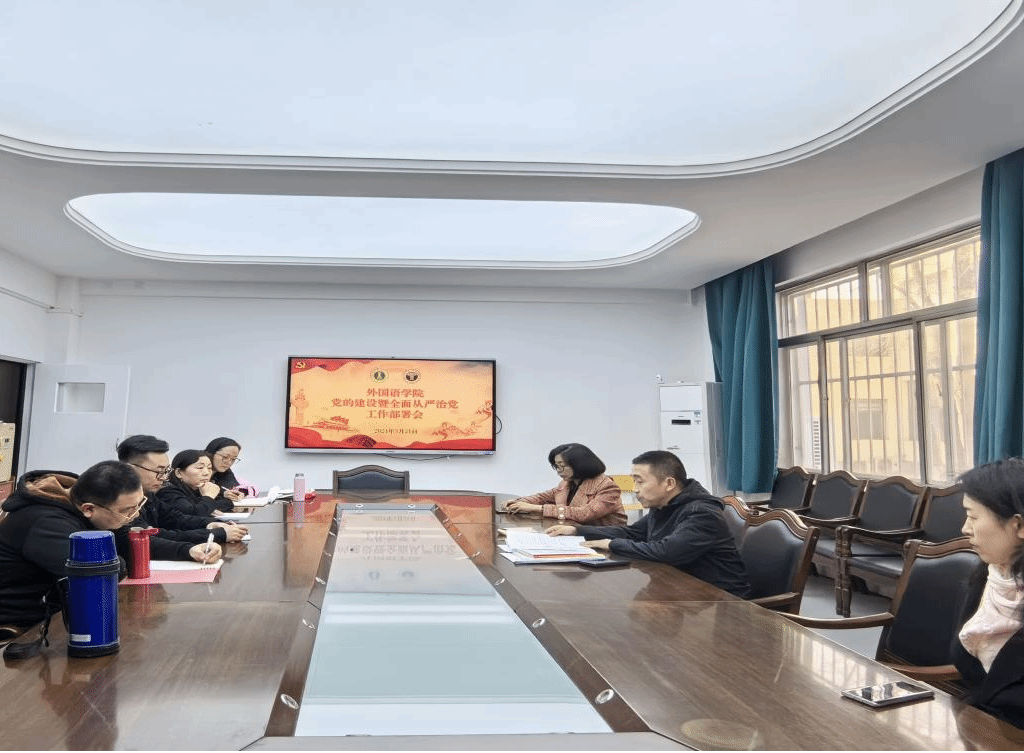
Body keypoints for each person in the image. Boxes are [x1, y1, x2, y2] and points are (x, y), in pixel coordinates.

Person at [0, 460, 217, 632]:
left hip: (66, 610)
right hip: (26, 623)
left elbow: (127, 540)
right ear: (88, 509)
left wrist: (188, 550)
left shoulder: (88, 501)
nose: (135, 516)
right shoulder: (45, 522)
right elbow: (104, 571)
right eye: (127, 511)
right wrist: (118, 556)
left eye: (138, 505)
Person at [546, 450, 750, 597]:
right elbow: (634, 533)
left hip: (722, 601)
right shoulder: (665, 504)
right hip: (682, 590)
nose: (635, 489)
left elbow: (667, 551)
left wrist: (611, 544)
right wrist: (577, 530)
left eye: (640, 481)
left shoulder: (701, 512)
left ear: (669, 483)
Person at [952, 457, 1024, 729]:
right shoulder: (988, 576)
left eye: (973, 517)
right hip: (982, 730)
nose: (965, 528)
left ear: (1019, 526)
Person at [117, 435, 246, 547]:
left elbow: (176, 518)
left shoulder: (149, 495)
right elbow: (153, 537)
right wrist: (215, 533)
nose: (164, 477)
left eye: (166, 471)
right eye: (159, 471)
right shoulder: (121, 500)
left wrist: (211, 524)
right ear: (131, 468)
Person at [504, 443, 626, 526]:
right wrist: (518, 502)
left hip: (603, 540)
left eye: (562, 466)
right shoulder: (568, 482)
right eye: (556, 466)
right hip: (573, 533)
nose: (558, 471)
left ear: (580, 464)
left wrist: (537, 508)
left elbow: (585, 514)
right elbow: (542, 497)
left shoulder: (607, 487)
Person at [158, 449, 228, 518]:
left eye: (209, 468)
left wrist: (208, 504)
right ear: (178, 473)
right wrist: (209, 497)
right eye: (200, 468)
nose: (207, 473)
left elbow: (226, 503)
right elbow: (193, 515)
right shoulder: (168, 493)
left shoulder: (197, 489)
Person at [205, 436, 247, 505]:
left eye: (233, 459)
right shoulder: (195, 466)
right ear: (211, 453)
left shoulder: (224, 470)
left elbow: (234, 486)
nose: (229, 463)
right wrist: (223, 493)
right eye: (225, 457)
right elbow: (199, 490)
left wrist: (239, 493)